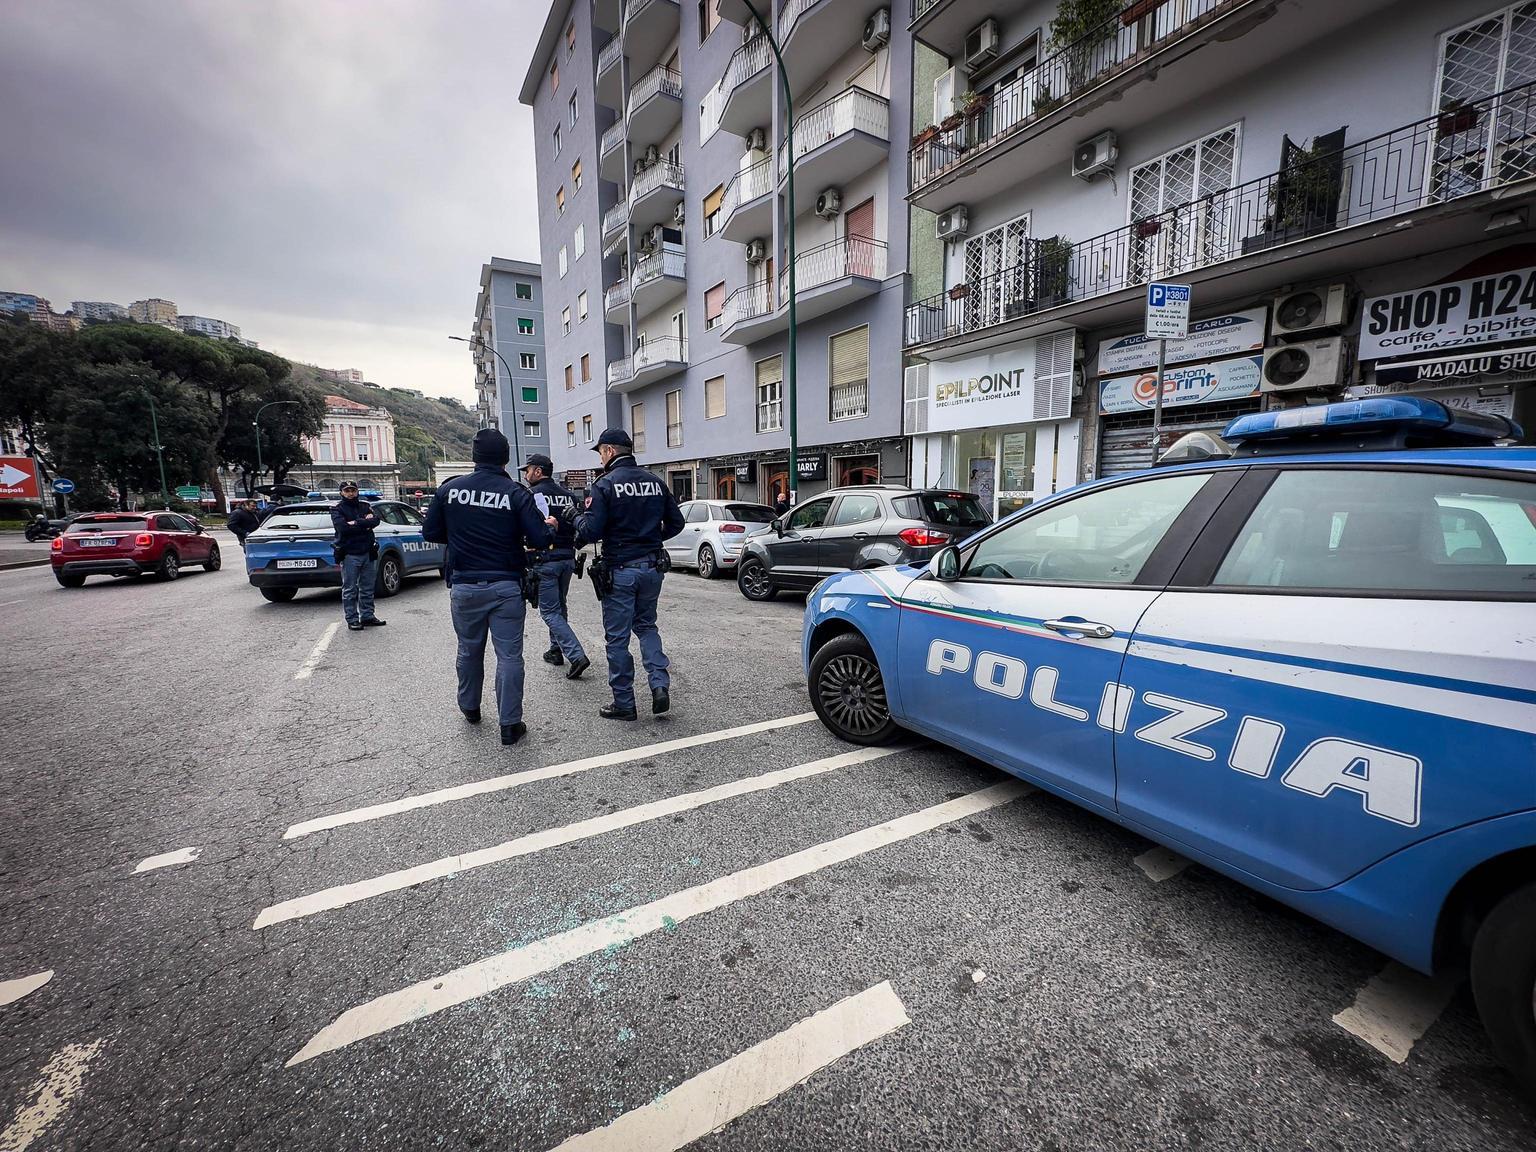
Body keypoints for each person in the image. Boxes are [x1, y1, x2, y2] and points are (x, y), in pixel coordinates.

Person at [424, 428, 551, 746]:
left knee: (469, 649)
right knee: (509, 655)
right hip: (506, 584)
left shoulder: (450, 490)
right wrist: (550, 527)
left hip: (465, 584)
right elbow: (540, 539)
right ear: (506, 458)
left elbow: (431, 532)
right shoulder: (516, 493)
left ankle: (469, 707)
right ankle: (510, 724)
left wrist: (460, 538)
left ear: (474, 456)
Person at [572, 428, 684, 722]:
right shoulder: (655, 482)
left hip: (620, 570)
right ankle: (659, 686)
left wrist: (576, 519)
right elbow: (677, 522)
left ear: (609, 451)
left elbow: (591, 531)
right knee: (647, 626)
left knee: (617, 638)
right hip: (652, 566)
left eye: (600, 452)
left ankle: (624, 702)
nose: (600, 458)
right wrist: (652, 537)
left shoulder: (605, 485)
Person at [519, 453, 590, 681]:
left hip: (544, 559)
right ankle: (555, 650)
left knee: (549, 611)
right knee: (560, 605)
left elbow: (525, 528)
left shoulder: (531, 495)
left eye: (527, 470)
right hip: (568, 559)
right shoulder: (568, 496)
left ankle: (576, 654)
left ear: (538, 471)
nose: (525, 474)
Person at [330, 482, 385, 632]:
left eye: (353, 490)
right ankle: (352, 619)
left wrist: (356, 522)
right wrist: (364, 524)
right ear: (341, 492)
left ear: (357, 491)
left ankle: (367, 616)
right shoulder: (337, 509)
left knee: (367, 587)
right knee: (350, 589)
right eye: (347, 491)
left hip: (368, 551)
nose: (350, 493)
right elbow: (342, 528)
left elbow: (375, 520)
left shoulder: (364, 506)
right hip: (349, 553)